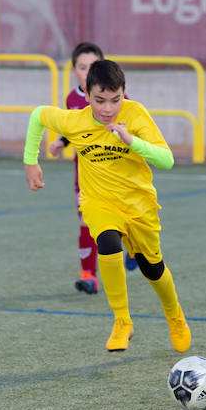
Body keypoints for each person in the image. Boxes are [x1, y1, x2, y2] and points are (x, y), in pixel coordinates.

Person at [24, 59, 191, 353]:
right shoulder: (74, 121)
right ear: (86, 95)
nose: (107, 108)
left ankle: (175, 315)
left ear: (124, 93)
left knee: (152, 269)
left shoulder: (135, 114)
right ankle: (122, 321)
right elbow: (38, 115)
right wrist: (31, 162)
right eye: (99, 100)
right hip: (99, 202)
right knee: (108, 242)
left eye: (115, 100)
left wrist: (131, 141)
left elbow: (166, 160)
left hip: (139, 207)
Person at [47, 42, 137, 296]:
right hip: (85, 175)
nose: (87, 72)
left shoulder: (118, 98)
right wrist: (60, 142)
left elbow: (130, 125)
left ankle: (133, 247)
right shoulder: (72, 99)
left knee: (121, 219)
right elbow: (74, 128)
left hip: (116, 172)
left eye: (92, 67)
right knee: (86, 221)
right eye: (82, 67)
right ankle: (89, 276)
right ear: (74, 70)